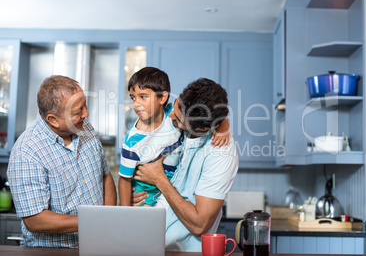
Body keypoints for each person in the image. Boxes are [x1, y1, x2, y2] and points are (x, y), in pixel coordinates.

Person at [7, 75, 117, 248]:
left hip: (97, 244)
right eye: (77, 112)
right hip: (52, 251)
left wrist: (109, 220)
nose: (86, 114)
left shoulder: (84, 127)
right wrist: (95, 222)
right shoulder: (26, 151)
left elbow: (105, 176)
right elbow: (35, 220)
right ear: (52, 120)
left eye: (84, 105)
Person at [133, 78, 239, 252]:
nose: (170, 116)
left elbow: (200, 224)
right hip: (145, 245)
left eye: (180, 121)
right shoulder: (186, 112)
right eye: (175, 105)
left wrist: (159, 180)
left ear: (204, 129)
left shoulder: (221, 155)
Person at [119, 67, 229, 207]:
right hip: (146, 193)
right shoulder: (131, 141)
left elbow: (214, 109)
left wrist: (223, 126)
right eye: (133, 98)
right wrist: (125, 210)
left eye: (143, 97)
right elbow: (124, 180)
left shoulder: (174, 110)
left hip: (171, 186)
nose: (136, 104)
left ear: (163, 98)